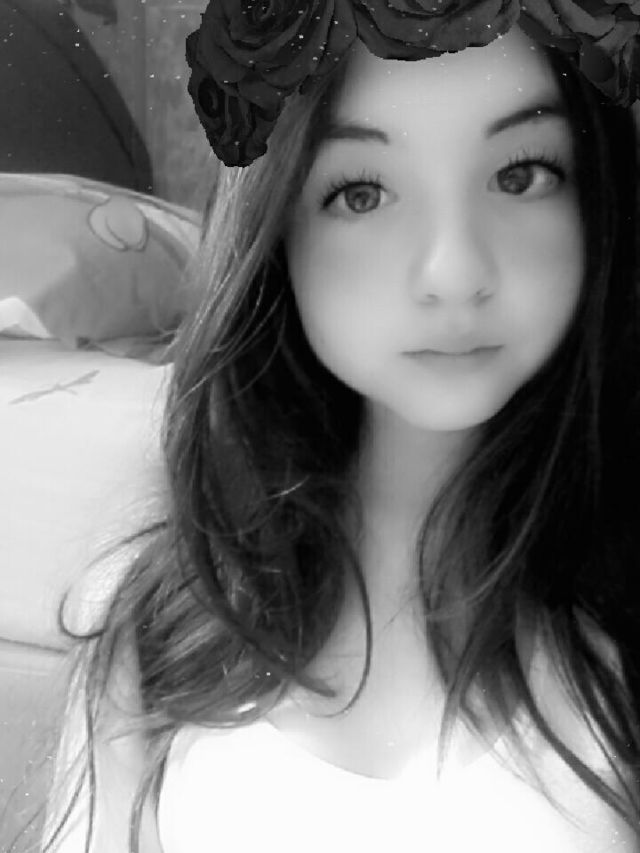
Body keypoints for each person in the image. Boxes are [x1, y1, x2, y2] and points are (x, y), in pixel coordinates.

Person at [40, 9, 640, 853]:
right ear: (278, 228)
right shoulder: (154, 622)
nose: (454, 270)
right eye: (363, 192)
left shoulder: (612, 625)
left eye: (521, 174)